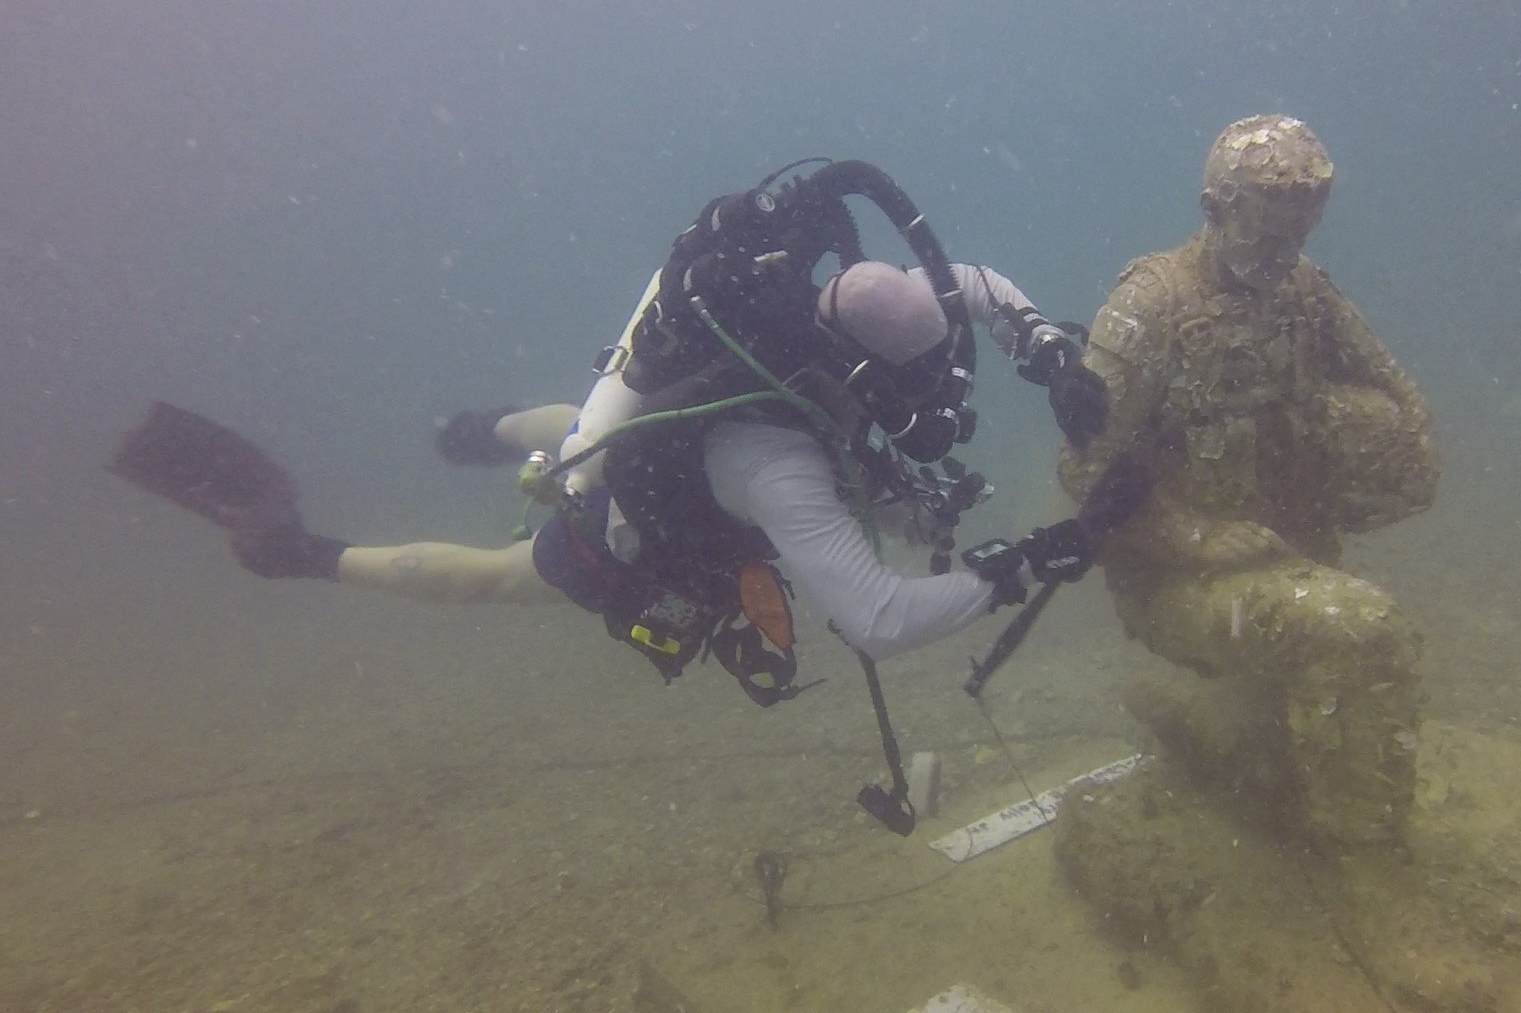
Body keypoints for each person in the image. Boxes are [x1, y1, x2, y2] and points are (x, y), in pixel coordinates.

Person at [117, 160, 1122, 831]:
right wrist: (1026, 562)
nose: (940, 403)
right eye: (920, 387)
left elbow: (976, 286)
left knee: (578, 424)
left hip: (650, 426)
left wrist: (1047, 353)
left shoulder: (866, 302)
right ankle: (300, 552)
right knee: (498, 576)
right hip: (641, 516)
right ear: (854, 366)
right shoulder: (776, 462)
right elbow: (880, 618)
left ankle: (482, 429)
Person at [1059, 115, 1439, 849]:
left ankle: (1213, 727)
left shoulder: (1302, 287)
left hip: (1282, 550)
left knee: (1284, 738)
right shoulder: (1152, 307)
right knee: (1361, 630)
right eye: (1269, 233)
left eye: (1300, 231)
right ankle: (1357, 853)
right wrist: (1194, 538)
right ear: (1215, 209)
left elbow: (1399, 395)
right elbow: (1081, 463)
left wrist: (1382, 454)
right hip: (1179, 578)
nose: (1284, 253)